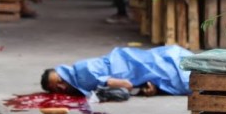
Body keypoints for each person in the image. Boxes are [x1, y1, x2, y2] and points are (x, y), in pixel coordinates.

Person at [41, 45, 193, 98]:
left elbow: (126, 84)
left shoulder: (82, 77)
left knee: (177, 74)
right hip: (127, 59)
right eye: (56, 88)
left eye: (60, 81)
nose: (62, 87)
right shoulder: (78, 71)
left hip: (132, 65)